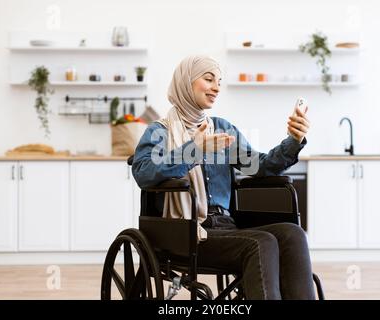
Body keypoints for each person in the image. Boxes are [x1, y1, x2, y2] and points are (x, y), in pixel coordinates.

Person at [132, 55, 314, 300]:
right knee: (261, 243)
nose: (217, 87)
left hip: (227, 227)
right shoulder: (159, 132)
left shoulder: (222, 130)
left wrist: (294, 140)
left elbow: (260, 166)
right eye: (209, 79)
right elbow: (143, 173)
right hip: (186, 232)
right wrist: (193, 150)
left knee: (293, 234)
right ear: (186, 82)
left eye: (219, 81)